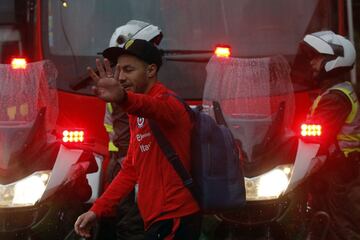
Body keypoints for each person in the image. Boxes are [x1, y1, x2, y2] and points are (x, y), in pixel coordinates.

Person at [75, 39, 201, 240]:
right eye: (119, 70)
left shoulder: (168, 103)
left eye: (128, 70)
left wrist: (123, 98)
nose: (121, 77)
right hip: (155, 219)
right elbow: (131, 169)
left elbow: (151, 106)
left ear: (151, 70)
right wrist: (96, 210)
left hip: (175, 217)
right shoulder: (135, 113)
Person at [102, 20, 164, 240]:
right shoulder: (126, 93)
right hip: (130, 167)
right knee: (133, 228)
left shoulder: (122, 88)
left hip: (124, 164)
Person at [298, 31, 359, 240]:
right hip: (335, 170)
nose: (313, 63)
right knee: (324, 222)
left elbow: (317, 132)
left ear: (334, 61)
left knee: (341, 227)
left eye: (318, 58)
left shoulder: (335, 98)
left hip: (340, 173)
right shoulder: (334, 92)